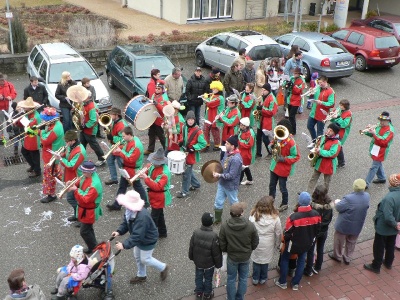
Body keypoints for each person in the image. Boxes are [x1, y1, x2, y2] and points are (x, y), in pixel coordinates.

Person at [112, 190, 169, 284]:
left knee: (145, 259)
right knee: (138, 256)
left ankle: (163, 267)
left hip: (147, 240)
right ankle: (141, 275)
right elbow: (126, 223)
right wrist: (119, 231)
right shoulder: (130, 211)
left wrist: (124, 245)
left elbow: (137, 235)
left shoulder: (142, 217)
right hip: (141, 239)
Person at [275, 192, 321, 291]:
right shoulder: (316, 215)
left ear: (299, 202)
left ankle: (282, 282)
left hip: (292, 245)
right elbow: (317, 230)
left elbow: (287, 233)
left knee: (285, 260)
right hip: (307, 243)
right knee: (300, 261)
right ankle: (295, 283)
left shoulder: (293, 217)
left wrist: (284, 242)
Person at [219, 202, 259, 300]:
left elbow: (222, 243)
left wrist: (226, 250)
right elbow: (255, 241)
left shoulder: (225, 226)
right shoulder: (250, 225)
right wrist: (250, 249)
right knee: (243, 278)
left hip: (232, 257)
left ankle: (230, 298)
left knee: (231, 279)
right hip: (245, 256)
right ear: (241, 213)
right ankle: (240, 297)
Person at [364, 173, 400, 274]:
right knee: (390, 245)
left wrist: (394, 224)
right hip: (394, 227)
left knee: (379, 246)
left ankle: (376, 265)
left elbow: (388, 216)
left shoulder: (389, 198)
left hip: (384, 227)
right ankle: (388, 262)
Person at [106, 126, 148, 211]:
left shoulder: (136, 146)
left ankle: (145, 202)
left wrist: (120, 152)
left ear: (129, 135)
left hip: (132, 169)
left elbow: (131, 159)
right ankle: (117, 204)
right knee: (123, 187)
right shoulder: (131, 140)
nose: (123, 138)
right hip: (128, 169)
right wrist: (117, 149)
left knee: (137, 186)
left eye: (124, 136)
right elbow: (125, 149)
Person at [329, 179, 370, 265]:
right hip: (358, 224)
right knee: (352, 241)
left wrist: (337, 202)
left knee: (339, 240)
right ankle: (347, 257)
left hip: (344, 224)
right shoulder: (367, 196)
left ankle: (337, 255)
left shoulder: (349, 198)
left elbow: (339, 208)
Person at [67, 161, 103, 254]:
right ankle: (94, 245)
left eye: (84, 172)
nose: (82, 174)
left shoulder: (94, 185)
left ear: (89, 172)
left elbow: (85, 199)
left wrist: (75, 190)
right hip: (85, 210)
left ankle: (93, 248)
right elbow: (80, 182)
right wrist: (73, 184)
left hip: (89, 211)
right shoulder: (87, 176)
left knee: (84, 231)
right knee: (88, 229)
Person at [188, 212, 223, 300]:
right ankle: (207, 294)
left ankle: (199, 292)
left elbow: (191, 246)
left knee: (198, 277)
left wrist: (191, 257)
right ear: (211, 223)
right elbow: (216, 253)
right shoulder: (213, 236)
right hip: (209, 264)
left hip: (198, 262)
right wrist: (218, 264)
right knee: (208, 279)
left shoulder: (196, 232)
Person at [269, 119, 300, 212]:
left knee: (282, 187)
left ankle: (285, 203)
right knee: (271, 186)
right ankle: (270, 202)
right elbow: (272, 143)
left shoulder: (291, 143)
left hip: (283, 169)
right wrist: (271, 146)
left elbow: (296, 156)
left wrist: (284, 159)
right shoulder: (277, 136)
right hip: (274, 166)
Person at [249, 196, 281, 286]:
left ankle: (255, 278)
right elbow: (278, 233)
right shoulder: (275, 218)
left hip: (256, 242)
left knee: (256, 260)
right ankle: (263, 278)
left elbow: (249, 230)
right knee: (265, 261)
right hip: (268, 243)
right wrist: (278, 244)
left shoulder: (253, 216)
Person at [140, 148, 172, 238]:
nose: (152, 163)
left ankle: (150, 235)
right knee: (160, 215)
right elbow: (146, 170)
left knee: (153, 217)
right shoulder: (153, 165)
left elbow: (157, 186)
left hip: (159, 197)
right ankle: (162, 232)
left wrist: (146, 178)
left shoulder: (164, 173)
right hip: (154, 195)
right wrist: (141, 172)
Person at [304, 185, 333, 276]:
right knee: (320, 248)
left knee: (310, 250)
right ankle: (318, 267)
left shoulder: (314, 207)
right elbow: (328, 220)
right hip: (323, 231)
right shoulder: (329, 206)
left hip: (313, 232)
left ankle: (308, 269)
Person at [212, 135, 243, 224]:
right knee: (218, 202)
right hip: (222, 184)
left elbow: (231, 175)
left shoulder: (236, 159)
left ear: (233, 146)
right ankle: (218, 219)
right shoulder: (227, 153)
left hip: (231, 186)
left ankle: (238, 220)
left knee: (234, 204)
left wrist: (219, 175)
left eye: (227, 143)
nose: (225, 144)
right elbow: (223, 164)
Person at [58, 130, 87, 223]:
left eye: (67, 141)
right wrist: (62, 155)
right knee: (73, 198)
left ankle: (81, 217)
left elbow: (71, 166)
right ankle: (77, 215)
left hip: (77, 178)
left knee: (72, 198)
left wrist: (61, 159)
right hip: (71, 177)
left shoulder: (80, 151)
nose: (66, 143)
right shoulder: (72, 146)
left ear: (73, 140)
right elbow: (68, 155)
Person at [177, 111, 207, 198]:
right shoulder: (184, 127)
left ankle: (184, 192)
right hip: (184, 152)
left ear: (194, 120)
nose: (190, 121)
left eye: (192, 120)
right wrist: (181, 141)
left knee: (186, 174)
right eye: (189, 120)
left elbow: (203, 143)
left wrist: (194, 147)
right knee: (188, 171)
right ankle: (196, 184)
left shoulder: (198, 131)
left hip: (191, 155)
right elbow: (183, 136)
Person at [40, 107, 65, 203]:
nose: (44, 121)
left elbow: (46, 140)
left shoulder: (55, 129)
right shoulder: (57, 123)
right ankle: (67, 181)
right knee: (56, 172)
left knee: (49, 176)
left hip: (51, 155)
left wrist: (41, 131)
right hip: (53, 153)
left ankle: (51, 194)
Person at [363, 111, 394, 189]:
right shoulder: (379, 125)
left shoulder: (390, 131)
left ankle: (366, 183)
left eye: (383, 121)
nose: (381, 122)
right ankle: (382, 178)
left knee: (374, 167)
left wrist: (374, 134)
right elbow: (373, 135)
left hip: (381, 151)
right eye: (380, 120)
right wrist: (368, 131)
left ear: (388, 121)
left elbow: (383, 142)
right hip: (376, 148)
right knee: (378, 164)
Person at [307, 123, 341, 193]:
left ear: (335, 133)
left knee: (326, 183)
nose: (328, 131)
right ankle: (307, 193)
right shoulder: (323, 137)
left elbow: (333, 154)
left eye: (331, 130)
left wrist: (320, 151)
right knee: (313, 178)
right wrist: (316, 148)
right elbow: (319, 145)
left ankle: (323, 197)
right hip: (320, 161)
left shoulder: (337, 142)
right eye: (328, 129)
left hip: (329, 164)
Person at [14, 98, 41, 177]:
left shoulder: (35, 116)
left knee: (34, 154)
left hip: (33, 137)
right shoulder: (27, 113)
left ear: (30, 108)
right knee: (24, 151)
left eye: (25, 107)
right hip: (27, 136)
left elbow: (29, 125)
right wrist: (17, 122)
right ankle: (33, 165)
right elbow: (22, 123)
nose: (24, 108)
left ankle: (37, 170)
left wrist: (20, 118)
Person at [79, 88, 105, 167]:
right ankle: (80, 158)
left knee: (94, 145)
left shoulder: (92, 107)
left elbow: (93, 120)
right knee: (81, 144)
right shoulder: (85, 104)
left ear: (87, 97)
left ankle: (101, 158)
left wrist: (84, 126)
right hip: (85, 129)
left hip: (90, 130)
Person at [307, 75, 335, 142]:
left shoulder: (331, 91)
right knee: (309, 126)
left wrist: (322, 103)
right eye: (318, 82)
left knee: (319, 132)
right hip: (313, 112)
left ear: (325, 82)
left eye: (320, 83)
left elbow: (331, 104)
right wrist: (311, 93)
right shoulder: (317, 87)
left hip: (322, 115)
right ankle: (314, 141)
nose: (319, 84)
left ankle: (318, 145)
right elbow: (311, 98)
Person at [105, 107, 129, 185]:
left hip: (120, 148)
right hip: (114, 146)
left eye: (112, 114)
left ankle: (128, 180)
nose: (110, 116)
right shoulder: (114, 122)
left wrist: (112, 137)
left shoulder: (122, 125)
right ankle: (114, 178)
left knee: (121, 165)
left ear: (117, 115)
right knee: (110, 160)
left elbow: (123, 139)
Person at [144, 80, 170, 155]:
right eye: (156, 88)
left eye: (159, 89)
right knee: (151, 134)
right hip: (153, 119)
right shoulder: (153, 95)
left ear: (162, 90)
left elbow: (164, 110)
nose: (156, 90)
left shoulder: (164, 98)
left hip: (160, 121)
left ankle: (166, 151)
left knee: (162, 137)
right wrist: (146, 100)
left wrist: (157, 104)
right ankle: (150, 149)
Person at [255, 83, 278, 159]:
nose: (263, 92)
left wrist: (262, 109)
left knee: (266, 139)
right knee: (258, 137)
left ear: (268, 90)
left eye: (264, 90)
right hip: (261, 121)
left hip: (267, 122)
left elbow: (272, 112)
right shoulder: (263, 96)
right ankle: (258, 153)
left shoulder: (272, 99)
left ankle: (271, 152)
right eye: (262, 90)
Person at [202, 81, 224, 152]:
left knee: (215, 132)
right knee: (205, 130)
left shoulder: (219, 98)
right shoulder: (214, 96)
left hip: (214, 117)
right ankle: (206, 144)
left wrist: (205, 98)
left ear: (218, 89)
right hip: (209, 116)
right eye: (213, 89)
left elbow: (210, 104)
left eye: (215, 89)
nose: (213, 90)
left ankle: (217, 145)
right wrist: (208, 97)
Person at [330, 99, 352, 167]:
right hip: (335, 130)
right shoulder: (339, 109)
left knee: (338, 147)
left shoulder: (349, 114)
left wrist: (337, 117)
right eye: (340, 104)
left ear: (345, 106)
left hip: (342, 133)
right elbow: (333, 120)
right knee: (334, 145)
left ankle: (341, 162)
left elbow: (344, 124)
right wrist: (331, 116)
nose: (339, 106)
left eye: (341, 105)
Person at [285, 67, 305, 135]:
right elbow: (285, 85)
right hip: (290, 99)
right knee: (290, 116)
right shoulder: (291, 78)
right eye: (294, 73)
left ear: (299, 74)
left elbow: (299, 91)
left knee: (291, 116)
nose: (295, 74)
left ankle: (293, 131)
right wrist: (286, 83)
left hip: (296, 100)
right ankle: (290, 129)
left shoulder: (302, 81)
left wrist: (293, 85)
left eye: (296, 73)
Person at [238, 117, 256, 185]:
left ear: (245, 126)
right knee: (245, 166)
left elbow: (248, 144)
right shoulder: (242, 130)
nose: (240, 126)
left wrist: (239, 142)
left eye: (241, 125)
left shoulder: (250, 133)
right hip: (242, 151)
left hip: (246, 153)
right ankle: (249, 179)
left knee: (242, 167)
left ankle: (238, 182)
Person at [0, 73, 17, 139]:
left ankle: (11, 134)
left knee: (10, 121)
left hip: (8, 107)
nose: (2, 82)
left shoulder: (9, 85)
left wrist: (11, 97)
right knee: (0, 123)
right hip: (0, 108)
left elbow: (14, 93)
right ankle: (1, 137)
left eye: (3, 80)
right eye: (0, 81)